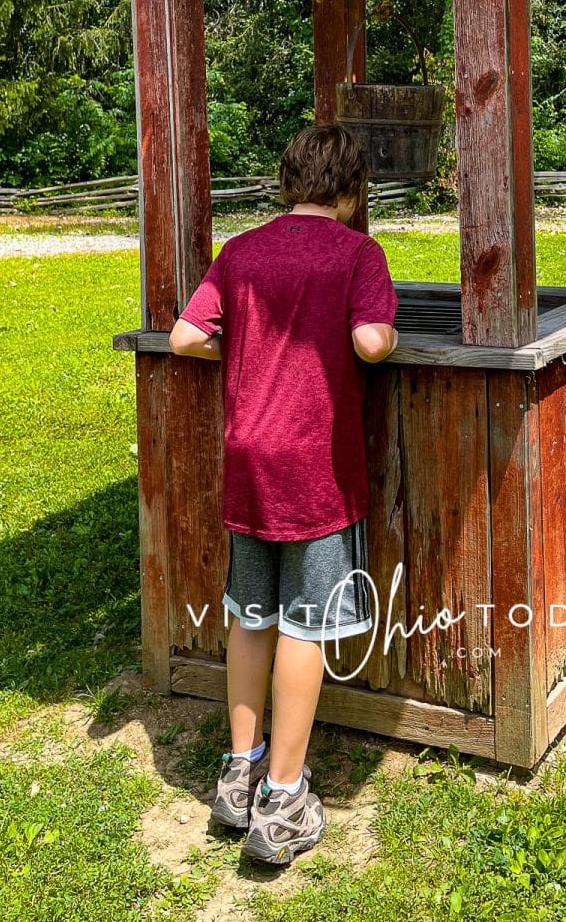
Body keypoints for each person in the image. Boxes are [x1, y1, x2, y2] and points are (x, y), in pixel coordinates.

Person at [168, 124, 399, 865]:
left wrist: (240, 348)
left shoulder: (241, 252)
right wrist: (385, 339)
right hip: (314, 468)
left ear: (287, 181)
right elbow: (369, 342)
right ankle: (285, 799)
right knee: (304, 624)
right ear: (352, 190)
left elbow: (183, 337)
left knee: (248, 613)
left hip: (247, 461)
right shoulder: (358, 253)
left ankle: (239, 771)